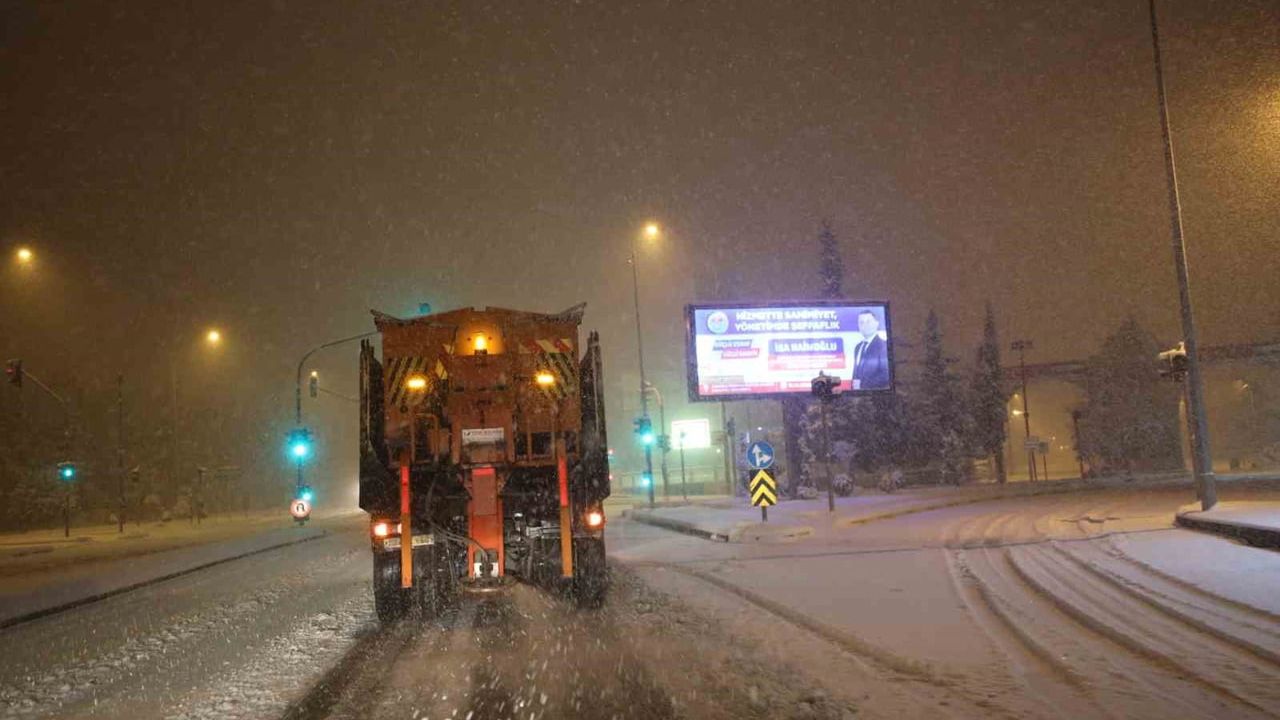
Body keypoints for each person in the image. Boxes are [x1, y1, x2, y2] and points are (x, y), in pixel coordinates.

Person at [851, 310, 890, 389]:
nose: (864, 325)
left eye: (868, 322)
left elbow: (886, 375)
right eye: (861, 323)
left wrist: (862, 385)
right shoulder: (858, 347)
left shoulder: (883, 346)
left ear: (877, 324)